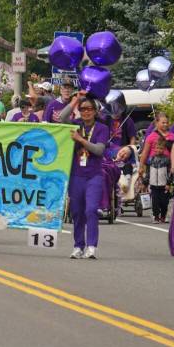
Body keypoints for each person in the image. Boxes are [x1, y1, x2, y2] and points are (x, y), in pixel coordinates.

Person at [68, 96, 108, 259]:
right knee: (77, 212)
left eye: (89, 109)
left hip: (94, 175)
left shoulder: (102, 128)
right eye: (82, 109)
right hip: (76, 175)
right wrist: (75, 100)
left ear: (95, 111)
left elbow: (99, 150)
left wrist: (80, 140)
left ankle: (91, 246)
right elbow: (62, 117)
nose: (85, 112)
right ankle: (78, 246)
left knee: (91, 210)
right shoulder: (75, 125)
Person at [138, 112, 174, 223]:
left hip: (168, 168)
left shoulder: (173, 137)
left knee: (165, 196)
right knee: (155, 196)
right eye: (162, 122)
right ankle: (155, 215)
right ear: (157, 123)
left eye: (167, 122)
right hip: (154, 168)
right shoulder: (151, 137)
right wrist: (141, 167)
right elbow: (145, 153)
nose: (165, 124)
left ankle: (163, 213)